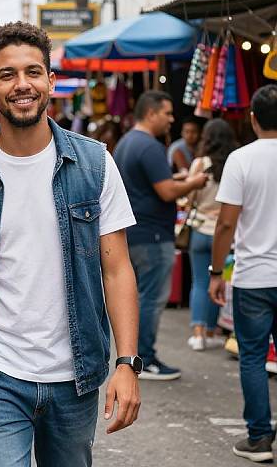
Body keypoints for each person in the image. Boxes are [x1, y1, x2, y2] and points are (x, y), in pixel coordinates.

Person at [0, 21, 141, 467]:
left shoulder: (95, 165)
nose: (22, 84)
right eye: (7, 75)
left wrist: (127, 363)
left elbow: (117, 268)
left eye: (33, 72)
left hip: (75, 377)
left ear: (50, 81)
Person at [114, 91, 208, 380]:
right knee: (152, 299)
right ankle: (145, 359)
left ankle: (135, 357)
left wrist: (177, 180)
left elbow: (152, 183)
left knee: (140, 297)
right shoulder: (150, 146)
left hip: (134, 232)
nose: (171, 119)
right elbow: (166, 191)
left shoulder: (127, 142)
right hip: (153, 235)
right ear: (151, 113)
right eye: (167, 113)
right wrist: (194, 182)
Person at [209, 85, 277, 463]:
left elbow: (225, 225)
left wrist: (217, 271)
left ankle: (259, 438)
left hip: (253, 276)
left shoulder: (241, 159)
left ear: (252, 118)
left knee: (252, 357)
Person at [186, 119, 236, 351]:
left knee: (199, 281)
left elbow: (189, 200)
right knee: (219, 280)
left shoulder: (199, 163)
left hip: (199, 229)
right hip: (224, 235)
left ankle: (198, 334)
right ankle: (211, 330)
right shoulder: (234, 164)